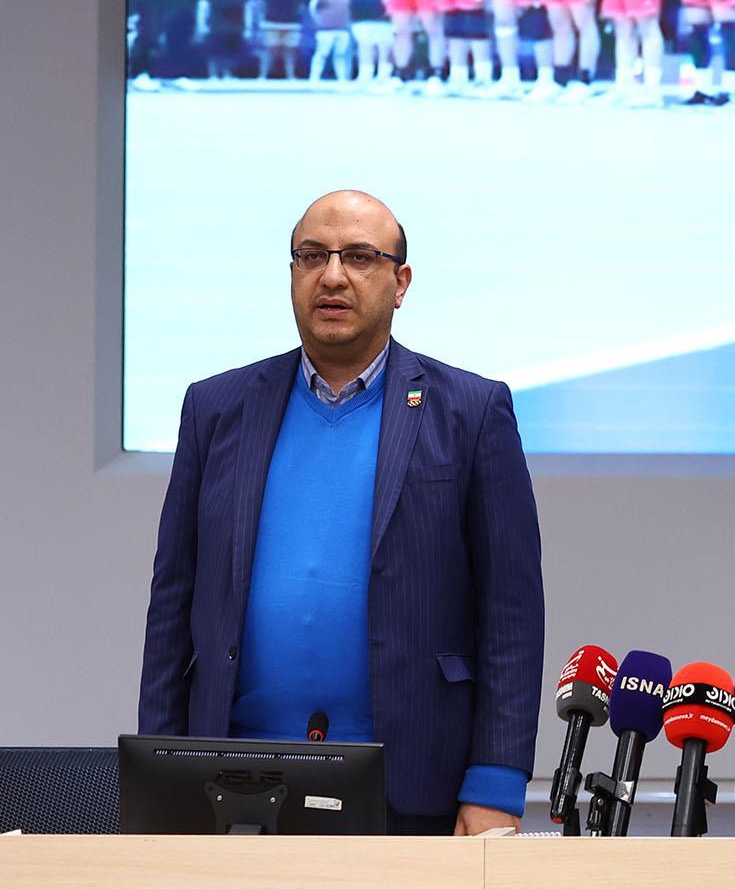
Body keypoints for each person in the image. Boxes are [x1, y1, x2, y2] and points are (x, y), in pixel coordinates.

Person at [139, 190, 545, 835]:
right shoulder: (216, 408)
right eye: (312, 256)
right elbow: (173, 603)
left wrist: (496, 781)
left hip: (414, 784)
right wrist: (160, 772)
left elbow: (511, 615)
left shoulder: (471, 411)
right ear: (292, 273)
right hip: (228, 775)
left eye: (359, 256)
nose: (332, 276)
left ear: (400, 282)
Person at [257, 0, 308, 80]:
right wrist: (262, 22)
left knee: (290, 52)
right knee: (269, 50)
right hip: (272, 24)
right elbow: (262, 7)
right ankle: (262, 75)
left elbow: (302, 8)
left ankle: (291, 75)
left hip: (292, 25)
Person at [307, 0, 355, 83]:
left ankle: (342, 80)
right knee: (321, 54)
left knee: (341, 56)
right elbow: (312, 9)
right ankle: (314, 78)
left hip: (343, 31)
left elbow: (355, 11)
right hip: (325, 31)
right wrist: (319, 22)